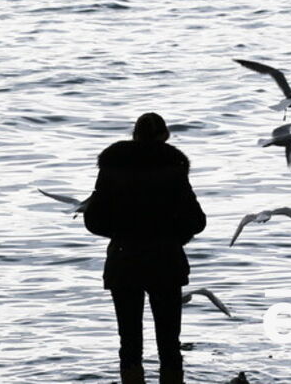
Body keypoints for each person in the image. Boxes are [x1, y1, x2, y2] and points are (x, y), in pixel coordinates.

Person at [83, 113, 206, 384]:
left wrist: (121, 233)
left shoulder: (111, 169)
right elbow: (197, 222)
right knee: (169, 342)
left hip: (124, 261)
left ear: (134, 135)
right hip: (165, 261)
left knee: (129, 341)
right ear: (165, 136)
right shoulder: (174, 170)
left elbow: (92, 221)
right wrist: (172, 235)